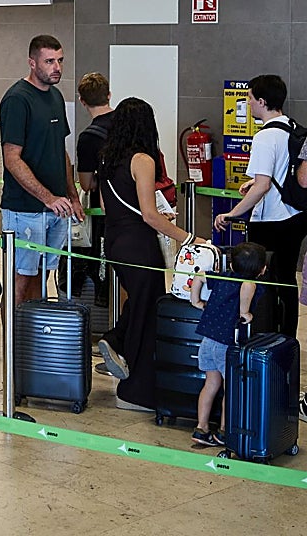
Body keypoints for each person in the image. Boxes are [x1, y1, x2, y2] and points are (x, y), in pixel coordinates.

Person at [98, 97, 204, 411]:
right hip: (139, 245)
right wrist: (189, 238)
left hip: (115, 240)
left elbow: (108, 205)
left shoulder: (107, 158)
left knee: (141, 302)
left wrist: (154, 216)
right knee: (149, 311)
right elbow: (148, 215)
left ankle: (116, 339)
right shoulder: (143, 159)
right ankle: (136, 391)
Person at [214, 75, 306, 338]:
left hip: (271, 221)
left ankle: (263, 334)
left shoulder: (264, 137)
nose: (249, 103)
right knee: (286, 280)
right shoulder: (293, 127)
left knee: (261, 281)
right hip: (296, 215)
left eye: (251, 98)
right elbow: (281, 172)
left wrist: (232, 213)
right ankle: (286, 337)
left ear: (262, 101)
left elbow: (263, 186)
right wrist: (253, 182)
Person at [0, 34, 84, 304]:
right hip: (25, 210)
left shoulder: (56, 97)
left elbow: (61, 152)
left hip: (56, 209)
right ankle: (12, 332)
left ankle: (32, 330)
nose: (57, 67)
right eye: (49, 61)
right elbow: (12, 159)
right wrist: (48, 198)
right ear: (32, 63)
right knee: (20, 280)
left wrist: (72, 196)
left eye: (60, 60)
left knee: (42, 276)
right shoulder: (17, 100)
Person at [189, 241, 267, 446]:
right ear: (262, 269)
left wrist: (195, 301)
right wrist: (244, 312)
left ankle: (201, 428)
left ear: (231, 265)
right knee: (230, 388)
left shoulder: (222, 277)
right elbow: (248, 285)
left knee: (210, 385)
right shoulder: (251, 284)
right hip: (227, 344)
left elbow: (200, 275)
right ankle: (224, 431)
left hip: (207, 340)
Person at [71, 72, 114, 303]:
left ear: (82, 101)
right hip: (137, 210)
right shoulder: (129, 125)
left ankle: (105, 303)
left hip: (104, 214)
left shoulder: (88, 138)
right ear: (109, 95)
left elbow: (86, 184)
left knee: (104, 265)